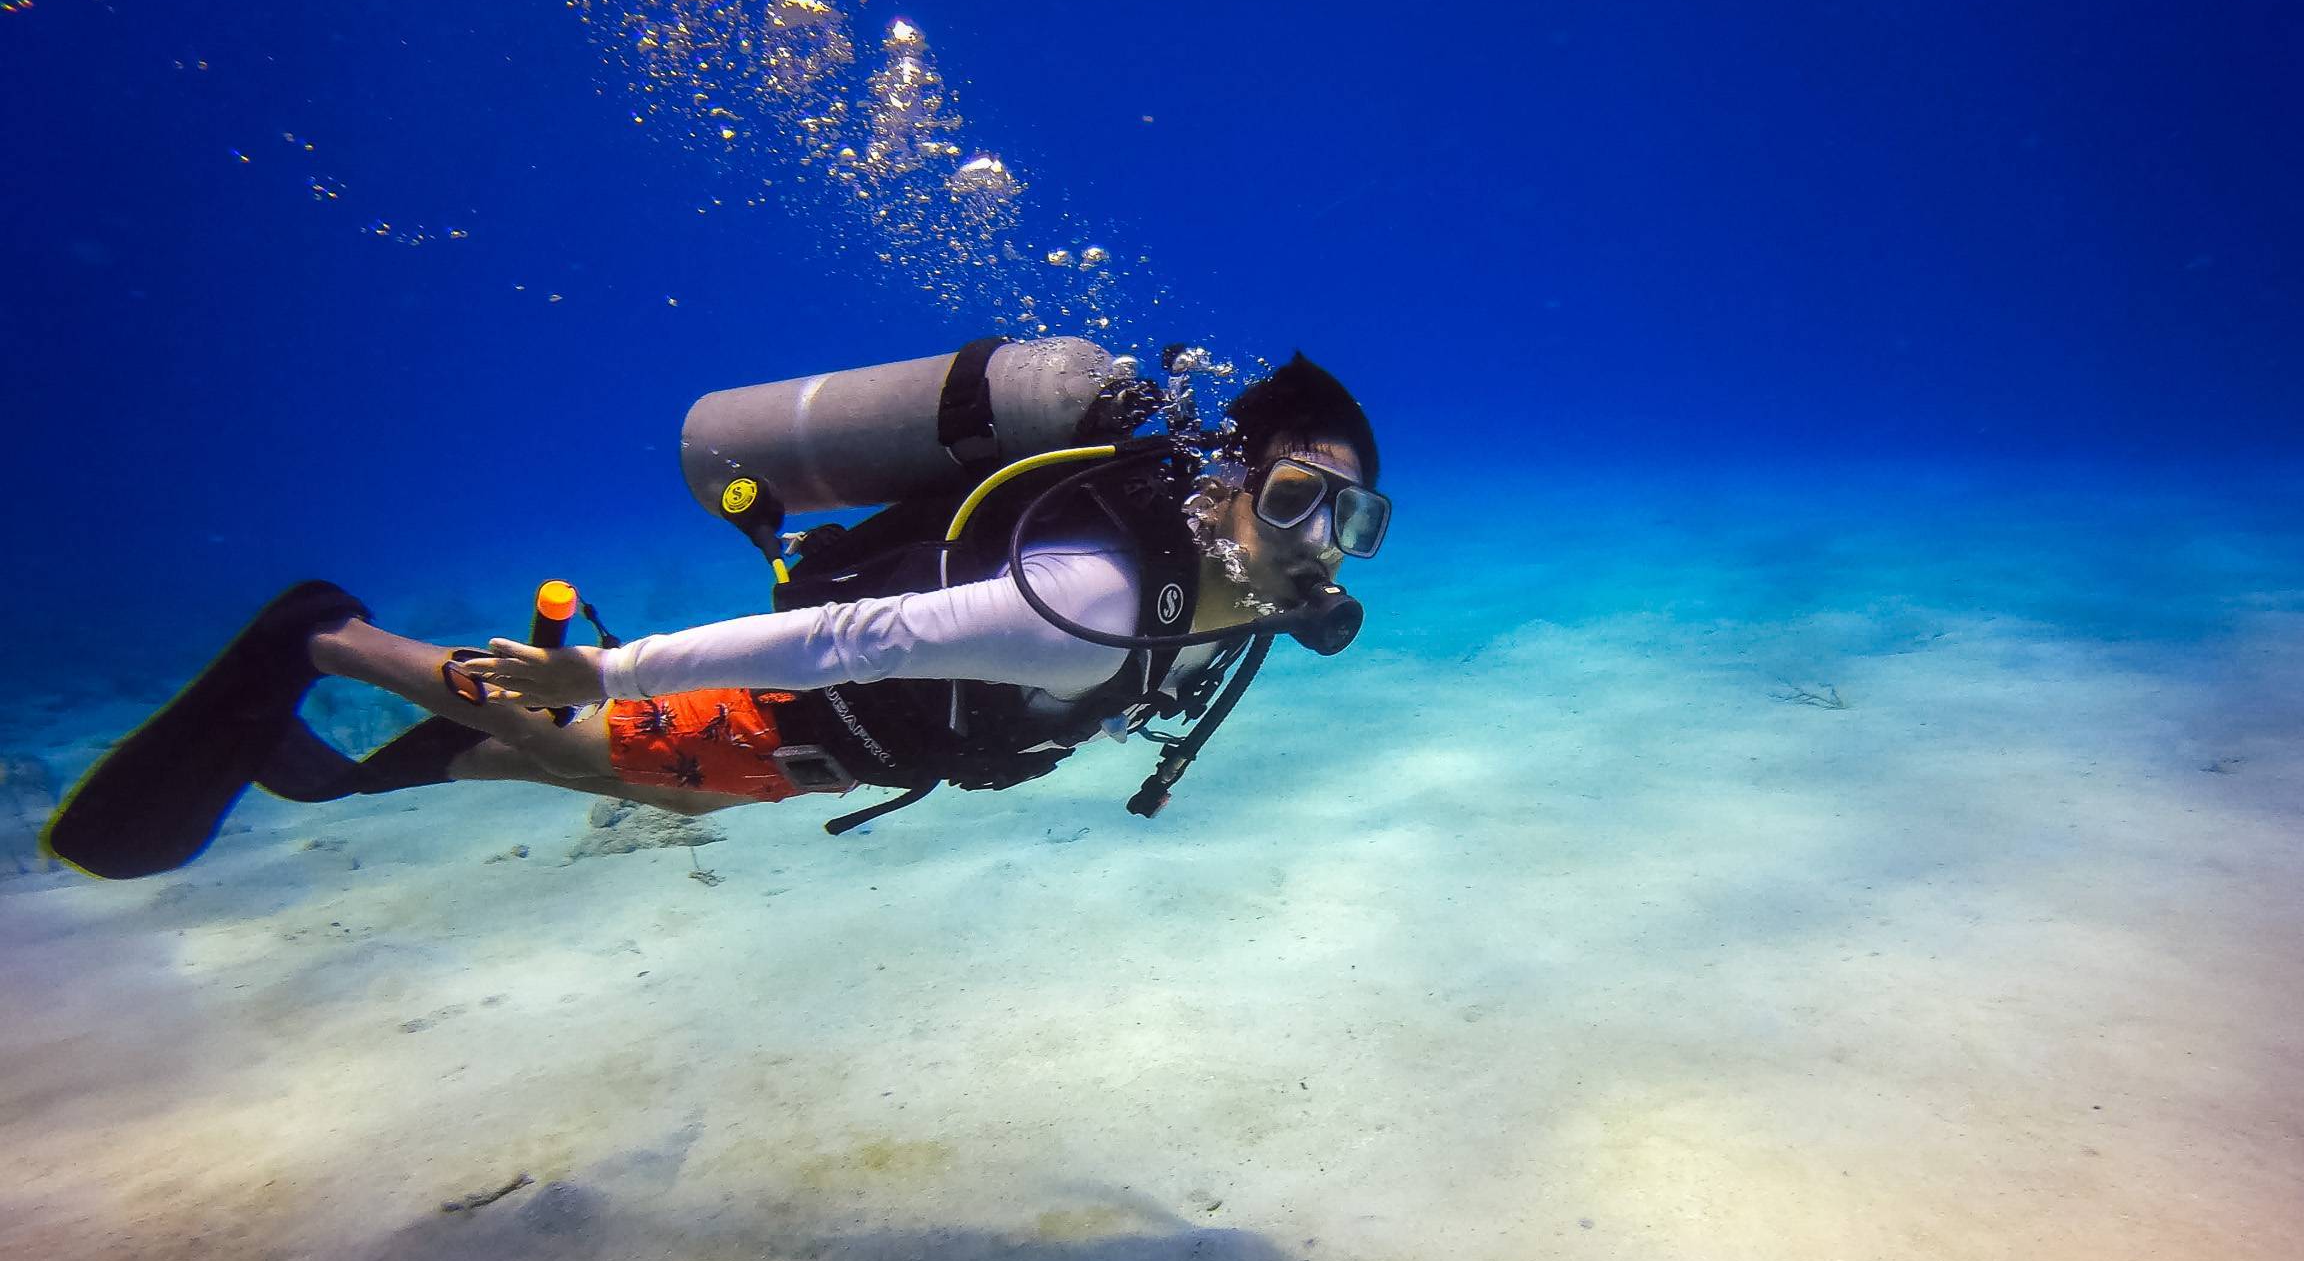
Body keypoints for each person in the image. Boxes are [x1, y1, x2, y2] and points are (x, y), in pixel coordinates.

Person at [44, 350, 1389, 879]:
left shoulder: (1234, 598)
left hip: (851, 743)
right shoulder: (1083, 597)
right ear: (1220, 484)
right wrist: (612, 675)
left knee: (647, 784)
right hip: (804, 712)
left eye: (1350, 518)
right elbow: (842, 642)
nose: (1319, 545)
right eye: (1290, 500)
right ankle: (329, 638)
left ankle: (420, 746)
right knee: (595, 752)